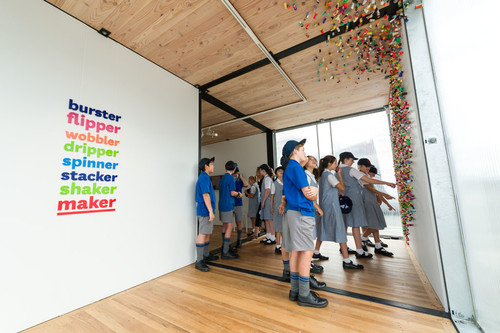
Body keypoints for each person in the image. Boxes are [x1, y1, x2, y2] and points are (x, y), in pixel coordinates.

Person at [283, 139, 328, 308]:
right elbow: (309, 195)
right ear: (295, 151)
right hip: (302, 213)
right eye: (302, 150)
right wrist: (316, 191)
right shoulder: (296, 168)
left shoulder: (292, 168)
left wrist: (313, 192)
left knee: (297, 251)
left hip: (296, 212)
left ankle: (296, 290)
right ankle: (304, 294)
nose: (305, 153)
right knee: (307, 252)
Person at [338, 153, 396, 259]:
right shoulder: (351, 170)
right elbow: (368, 181)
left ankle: (346, 249)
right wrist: (387, 183)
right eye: (352, 160)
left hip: (344, 202)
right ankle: (359, 250)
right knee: (356, 225)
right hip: (355, 200)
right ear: (346, 159)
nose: (353, 162)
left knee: (345, 226)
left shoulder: (337, 171)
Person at [318, 155, 363, 269]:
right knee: (341, 231)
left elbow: (328, 190)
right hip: (332, 206)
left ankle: (316, 251)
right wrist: (339, 175)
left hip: (325, 205)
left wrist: (336, 193)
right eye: (334, 163)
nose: (336, 165)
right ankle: (347, 261)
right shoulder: (330, 176)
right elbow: (342, 187)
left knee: (323, 228)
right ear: (329, 164)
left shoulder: (322, 175)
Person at [357, 162, 395, 256]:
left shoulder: (368, 178)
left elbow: (377, 193)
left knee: (375, 224)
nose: (373, 175)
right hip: (367, 202)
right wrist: (384, 194)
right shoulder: (361, 176)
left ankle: (377, 245)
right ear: (360, 166)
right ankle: (364, 238)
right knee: (373, 224)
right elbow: (371, 190)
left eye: (369, 168)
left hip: (372, 202)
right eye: (367, 167)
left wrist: (387, 203)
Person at [194, 157, 218, 272]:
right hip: (204, 211)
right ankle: (199, 261)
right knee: (203, 233)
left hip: (206, 210)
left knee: (207, 233)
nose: (213, 166)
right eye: (211, 164)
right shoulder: (203, 178)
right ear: (206, 166)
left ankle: (206, 255)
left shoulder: (205, 177)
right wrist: (210, 211)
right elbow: (205, 195)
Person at [304, 156, 325, 274]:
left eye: (314, 159)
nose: (313, 161)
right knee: (308, 237)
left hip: (312, 210)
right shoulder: (306, 176)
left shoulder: (312, 176)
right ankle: (307, 263)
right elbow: (307, 194)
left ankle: (309, 261)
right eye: (310, 159)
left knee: (311, 236)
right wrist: (317, 207)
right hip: (309, 209)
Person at [218, 160, 243, 259]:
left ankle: (225, 247)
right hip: (228, 205)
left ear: (225, 168)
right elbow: (232, 193)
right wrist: (239, 194)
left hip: (222, 205)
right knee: (230, 225)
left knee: (224, 225)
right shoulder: (231, 178)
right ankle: (225, 252)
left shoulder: (222, 178)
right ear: (234, 169)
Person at [259, 164, 276, 245]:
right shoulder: (265, 179)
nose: (259, 172)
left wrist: (263, 201)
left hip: (268, 201)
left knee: (270, 220)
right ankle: (268, 236)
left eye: (260, 170)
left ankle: (273, 238)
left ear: (263, 170)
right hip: (266, 201)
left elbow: (268, 190)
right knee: (266, 219)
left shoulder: (267, 179)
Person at [233, 168, 248, 248]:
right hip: (230, 204)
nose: (235, 177)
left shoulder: (239, 182)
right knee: (229, 224)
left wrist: (241, 177)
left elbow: (246, 185)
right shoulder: (230, 182)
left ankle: (239, 240)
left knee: (239, 222)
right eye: (234, 175)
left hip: (238, 204)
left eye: (236, 175)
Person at [271, 166, 284, 254]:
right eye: (279, 171)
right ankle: (278, 246)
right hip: (277, 207)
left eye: (282, 171)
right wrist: (271, 207)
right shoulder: (274, 184)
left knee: (284, 227)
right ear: (276, 174)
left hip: (285, 207)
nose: (281, 172)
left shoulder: (286, 183)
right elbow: (272, 197)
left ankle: (284, 245)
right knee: (278, 227)